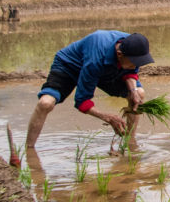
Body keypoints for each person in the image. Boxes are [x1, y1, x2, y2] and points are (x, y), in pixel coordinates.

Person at [26, 30, 154, 148]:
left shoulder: (133, 46)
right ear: (120, 54)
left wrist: (133, 92)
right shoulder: (96, 60)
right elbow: (82, 101)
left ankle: (130, 142)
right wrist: (108, 117)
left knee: (139, 94)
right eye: (134, 63)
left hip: (106, 69)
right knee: (45, 103)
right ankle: (29, 149)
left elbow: (130, 72)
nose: (136, 66)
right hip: (69, 66)